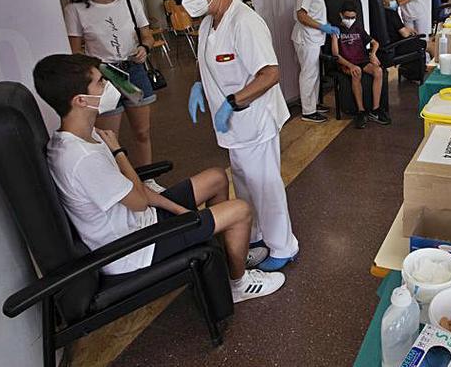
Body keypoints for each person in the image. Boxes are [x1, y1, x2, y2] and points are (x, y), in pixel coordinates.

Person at [32, 54, 284, 302]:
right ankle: (238, 284)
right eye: (100, 82)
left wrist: (179, 210)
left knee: (216, 178)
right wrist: (119, 153)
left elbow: (132, 188)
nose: (109, 86)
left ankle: (227, 257)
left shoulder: (84, 135)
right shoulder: (81, 157)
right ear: (80, 100)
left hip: (140, 221)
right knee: (240, 210)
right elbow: (139, 200)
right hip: (134, 248)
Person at [178, 0, 298, 272]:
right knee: (244, 184)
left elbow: (271, 73)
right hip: (232, 127)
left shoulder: (244, 22)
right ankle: (256, 236)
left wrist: (232, 103)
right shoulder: (207, 24)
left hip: (255, 121)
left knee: (265, 185)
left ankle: (283, 245)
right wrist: (199, 86)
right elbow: (209, 63)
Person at [63, 0, 162, 192]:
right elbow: (74, 52)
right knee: (109, 137)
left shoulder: (129, 1)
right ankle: (117, 183)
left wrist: (144, 48)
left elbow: (147, 35)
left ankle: (147, 180)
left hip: (134, 70)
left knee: (142, 131)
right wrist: (93, 70)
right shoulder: (75, 9)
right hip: (103, 76)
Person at [291, 0, 337, 124]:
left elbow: (314, 13)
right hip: (306, 38)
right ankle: (308, 111)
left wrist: (325, 23)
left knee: (314, 73)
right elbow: (301, 15)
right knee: (308, 74)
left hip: (314, 38)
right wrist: (322, 27)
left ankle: (314, 104)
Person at [332, 1, 390, 129]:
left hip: (362, 60)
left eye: (353, 17)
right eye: (347, 17)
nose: (350, 20)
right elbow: (336, 54)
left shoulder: (358, 28)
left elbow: (375, 43)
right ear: (341, 15)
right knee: (356, 71)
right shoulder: (336, 30)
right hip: (346, 63)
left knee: (378, 71)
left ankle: (375, 110)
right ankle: (361, 111)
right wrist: (350, 66)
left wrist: (373, 54)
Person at [377, 0, 427, 82]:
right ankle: (435, 76)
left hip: (385, 48)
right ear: (383, 1)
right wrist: (410, 31)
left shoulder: (378, 14)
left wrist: (407, 29)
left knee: (416, 40)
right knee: (429, 45)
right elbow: (405, 34)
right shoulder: (391, 13)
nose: (394, 2)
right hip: (397, 46)